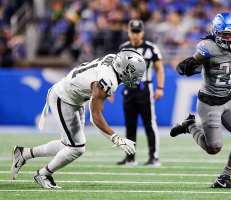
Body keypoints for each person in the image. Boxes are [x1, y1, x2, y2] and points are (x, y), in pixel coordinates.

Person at [11, 49, 146, 188]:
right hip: (64, 98)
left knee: (68, 145)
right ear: (123, 69)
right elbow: (95, 117)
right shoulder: (106, 80)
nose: (136, 78)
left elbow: (98, 78)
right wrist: (116, 139)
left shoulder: (113, 61)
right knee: (77, 148)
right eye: (134, 74)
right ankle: (43, 174)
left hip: (76, 98)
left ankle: (23, 153)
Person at [170, 13, 231, 189]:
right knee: (214, 149)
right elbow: (189, 63)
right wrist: (185, 66)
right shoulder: (208, 48)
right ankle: (189, 126)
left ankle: (223, 179)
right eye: (224, 34)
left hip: (228, 98)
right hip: (209, 102)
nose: (228, 37)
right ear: (216, 33)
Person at [115, 20, 165, 166]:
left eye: (138, 32)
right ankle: (130, 158)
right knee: (130, 125)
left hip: (145, 89)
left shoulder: (151, 48)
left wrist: (160, 87)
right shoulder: (123, 48)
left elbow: (159, 69)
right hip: (128, 89)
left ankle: (154, 157)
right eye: (133, 31)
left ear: (142, 32)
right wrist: (111, 90)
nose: (135, 35)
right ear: (128, 32)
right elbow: (117, 70)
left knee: (149, 124)